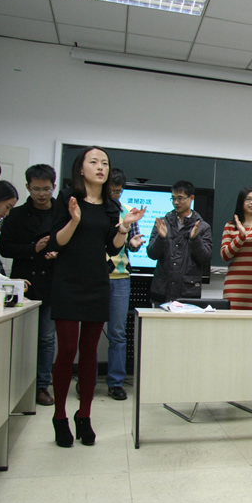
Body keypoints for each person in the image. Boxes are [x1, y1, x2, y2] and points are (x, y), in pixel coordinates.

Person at [48, 147, 145, 447]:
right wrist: (74, 220)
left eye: (105, 163)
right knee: (66, 351)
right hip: (67, 281)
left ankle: (84, 415)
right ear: (81, 168)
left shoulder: (111, 205)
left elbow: (113, 247)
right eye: (94, 162)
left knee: (89, 352)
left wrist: (124, 227)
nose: (101, 167)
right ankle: (60, 416)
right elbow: (56, 242)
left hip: (97, 282)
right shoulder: (67, 199)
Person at [0, 165, 58, 407]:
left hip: (51, 282)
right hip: (24, 283)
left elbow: (72, 245)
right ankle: (16, 386)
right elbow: (5, 248)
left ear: (53, 187)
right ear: (27, 188)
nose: (41, 194)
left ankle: (42, 385)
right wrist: (33, 249)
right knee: (20, 337)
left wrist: (58, 253)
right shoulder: (16, 214)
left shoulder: (63, 213)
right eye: (36, 189)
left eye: (46, 189)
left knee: (46, 338)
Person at [104, 169, 144, 401]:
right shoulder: (95, 210)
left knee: (118, 333)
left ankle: (116, 383)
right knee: (89, 331)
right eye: (111, 191)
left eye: (118, 191)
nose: (115, 195)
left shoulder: (128, 211)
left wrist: (135, 244)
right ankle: (86, 380)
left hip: (120, 277)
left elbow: (131, 243)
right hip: (94, 277)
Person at [147, 180, 212, 305]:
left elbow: (205, 258)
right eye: (173, 198)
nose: (176, 202)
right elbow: (151, 254)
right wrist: (161, 238)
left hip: (188, 292)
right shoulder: (163, 223)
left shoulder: (203, 227)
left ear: (191, 198)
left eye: (180, 198)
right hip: (162, 290)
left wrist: (195, 239)